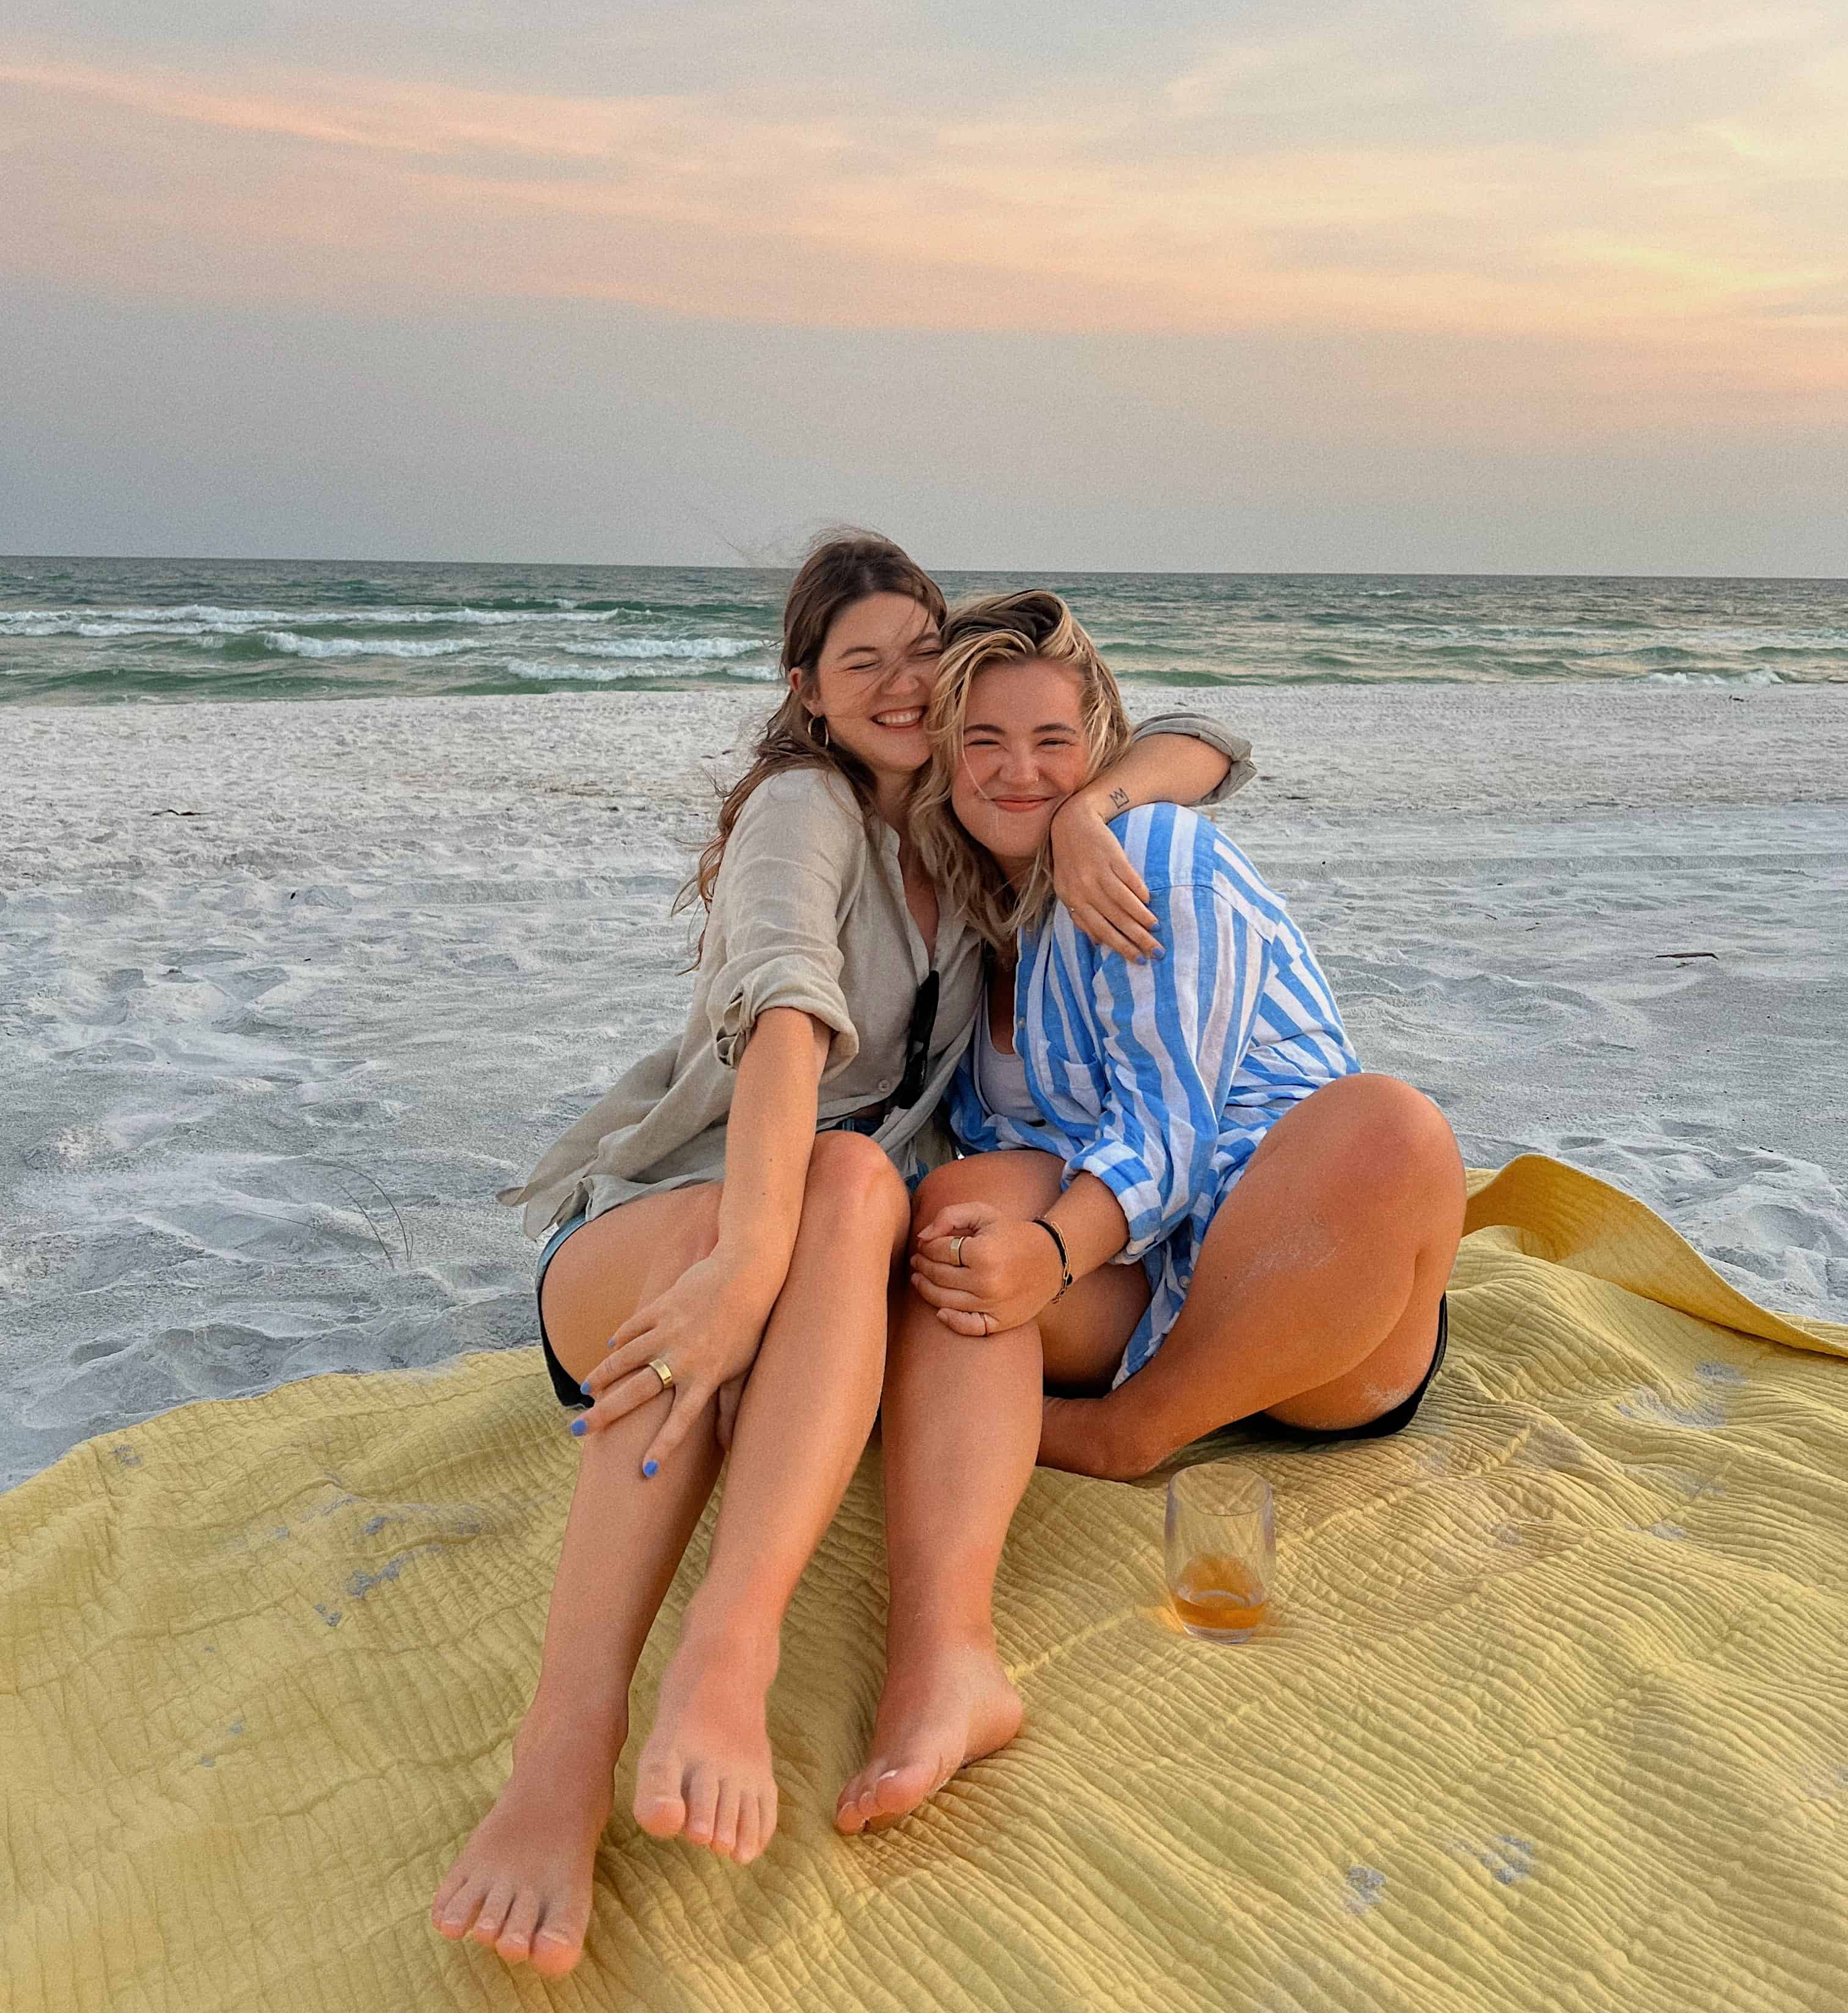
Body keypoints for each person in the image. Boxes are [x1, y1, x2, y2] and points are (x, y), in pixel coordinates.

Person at [430, 536, 1245, 1976]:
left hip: (817, 1246)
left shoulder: (965, 840)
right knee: (850, 1172)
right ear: (806, 693)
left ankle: (737, 1650)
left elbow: (1208, 747)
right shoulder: (801, 812)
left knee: (867, 1184)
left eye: (918, 651)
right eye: (856, 659)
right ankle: (577, 1753)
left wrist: (1084, 817)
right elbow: (788, 1020)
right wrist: (748, 1260)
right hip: (661, 1235)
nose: (898, 681)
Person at [834, 590, 1465, 1838]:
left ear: (1099, 747)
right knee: (955, 1219)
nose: (1019, 771)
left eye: (1053, 743)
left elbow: (1172, 1128)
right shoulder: (975, 925)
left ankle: (1129, 1436)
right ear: (946, 758)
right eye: (986, 743)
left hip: (1303, 1285)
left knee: (1394, 1126)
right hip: (1147, 1277)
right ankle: (944, 1662)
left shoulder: (1151, 851)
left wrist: (1057, 1246)